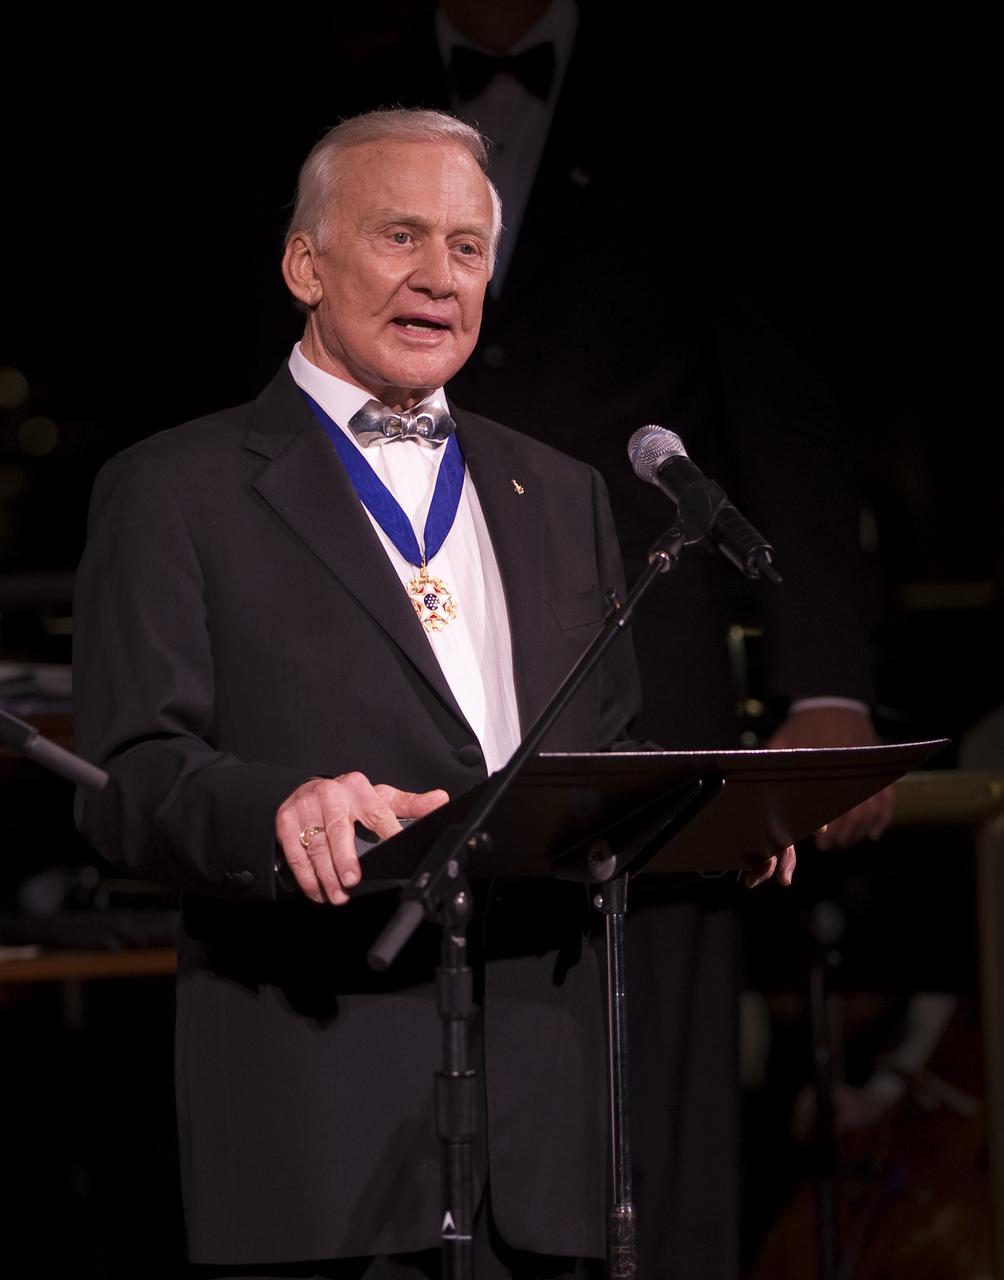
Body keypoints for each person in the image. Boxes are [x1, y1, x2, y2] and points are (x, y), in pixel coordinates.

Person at [73, 107, 793, 1279]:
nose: (437, 277)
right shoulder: (172, 491)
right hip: (322, 1123)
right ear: (305, 262)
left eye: (465, 247)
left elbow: (598, 755)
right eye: (398, 236)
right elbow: (128, 778)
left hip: (548, 1146)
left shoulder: (556, 492)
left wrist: (709, 817)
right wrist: (273, 808)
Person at [254, 5, 893, 1276]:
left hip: (638, 668)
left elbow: (781, 396)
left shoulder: (688, 97)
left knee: (643, 1102)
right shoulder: (340, 100)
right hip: (375, 657)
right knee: (395, 1084)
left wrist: (822, 679)